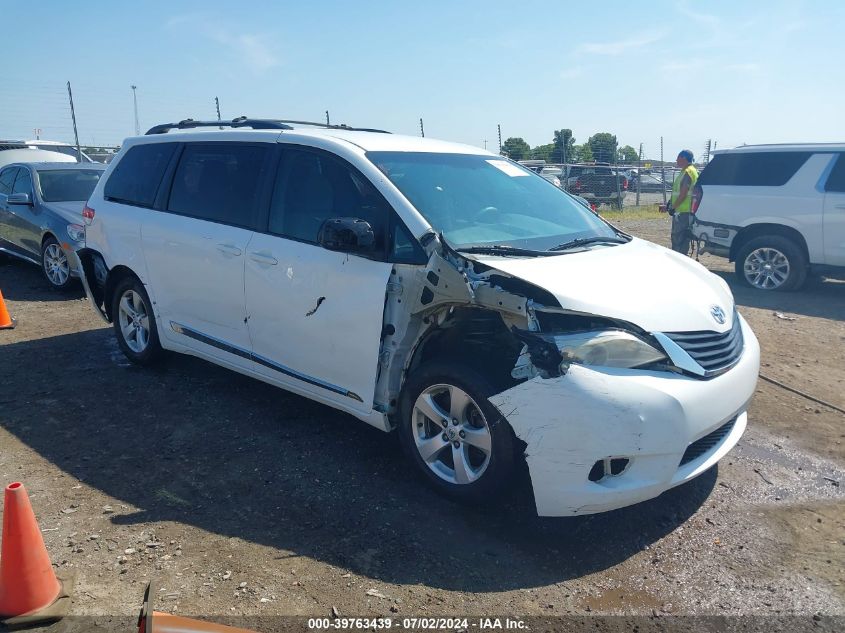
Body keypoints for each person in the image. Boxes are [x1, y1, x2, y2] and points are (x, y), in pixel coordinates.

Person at [661, 149, 699, 254]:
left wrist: (673, 208)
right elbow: (678, 193)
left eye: (678, 157)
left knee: (678, 239)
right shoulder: (688, 171)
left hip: (683, 212)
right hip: (685, 211)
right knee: (683, 239)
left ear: (683, 158)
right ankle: (682, 259)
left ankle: (678, 261)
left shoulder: (688, 172)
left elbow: (683, 194)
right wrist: (669, 204)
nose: (676, 160)